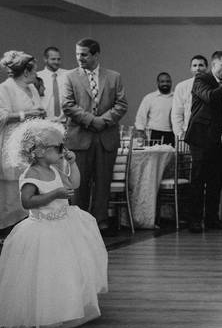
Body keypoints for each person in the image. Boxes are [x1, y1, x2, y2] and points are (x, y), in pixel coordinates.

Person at [0, 119, 107, 328]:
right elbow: (27, 202)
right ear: (38, 151)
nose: (63, 150)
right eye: (58, 147)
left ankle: (66, 306)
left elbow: (73, 184)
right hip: (42, 229)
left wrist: (73, 164)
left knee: (66, 269)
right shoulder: (30, 175)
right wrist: (53, 194)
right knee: (45, 272)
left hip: (65, 226)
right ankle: (46, 311)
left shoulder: (56, 170)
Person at [61, 39, 128, 234]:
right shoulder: (70, 77)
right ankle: (78, 221)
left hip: (106, 137)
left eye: (84, 54)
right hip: (80, 137)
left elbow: (121, 104)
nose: (79, 58)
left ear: (96, 55)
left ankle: (100, 221)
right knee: (78, 183)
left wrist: (103, 121)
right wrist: (92, 120)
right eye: (77, 54)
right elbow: (68, 105)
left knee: (103, 181)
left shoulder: (114, 77)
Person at [183, 51, 222, 233]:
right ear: (214, 65)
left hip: (218, 138)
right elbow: (210, 97)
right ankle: (194, 220)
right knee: (198, 179)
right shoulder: (201, 80)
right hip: (200, 136)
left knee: (216, 180)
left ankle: (212, 218)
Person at [0, 51, 46, 230]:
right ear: (25, 72)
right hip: (12, 144)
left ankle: (27, 229)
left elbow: (36, 108)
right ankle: (8, 229)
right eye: (34, 71)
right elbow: (1, 115)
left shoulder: (32, 88)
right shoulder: (5, 88)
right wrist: (25, 114)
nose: (36, 74)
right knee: (12, 192)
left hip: (31, 144)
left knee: (30, 184)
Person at [171, 55, 208, 142]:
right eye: (194, 66)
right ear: (190, 68)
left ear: (206, 67)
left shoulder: (212, 85)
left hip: (207, 133)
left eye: (201, 65)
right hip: (187, 133)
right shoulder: (181, 86)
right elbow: (176, 113)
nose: (197, 68)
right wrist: (179, 133)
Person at [134, 72, 175, 145]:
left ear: (171, 83)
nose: (165, 83)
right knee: (153, 156)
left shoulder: (176, 98)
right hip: (153, 133)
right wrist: (140, 131)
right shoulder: (149, 98)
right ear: (157, 83)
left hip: (172, 134)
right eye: (162, 81)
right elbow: (141, 116)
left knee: (171, 156)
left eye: (168, 81)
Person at [34, 47, 64, 123]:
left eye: (58, 59)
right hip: (44, 122)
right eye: (53, 59)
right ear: (45, 59)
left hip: (65, 122)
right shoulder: (37, 77)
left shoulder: (68, 75)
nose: (56, 62)